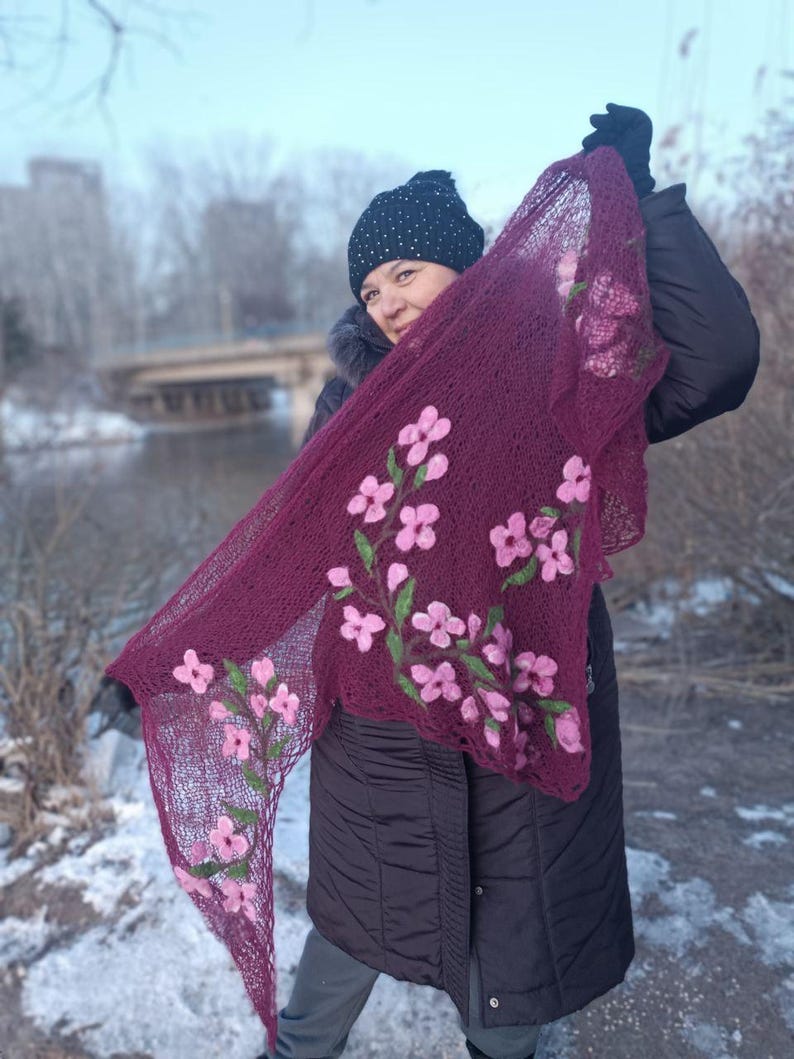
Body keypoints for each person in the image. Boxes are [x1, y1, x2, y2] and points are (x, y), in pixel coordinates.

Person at [260, 105, 760, 1059]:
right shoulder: (350, 398)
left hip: (521, 710)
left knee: (515, 941)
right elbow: (288, 544)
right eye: (369, 287)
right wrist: (166, 659)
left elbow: (717, 365)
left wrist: (644, 206)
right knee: (355, 924)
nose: (388, 301)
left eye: (405, 271)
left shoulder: (555, 367)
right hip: (381, 731)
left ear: (466, 262)